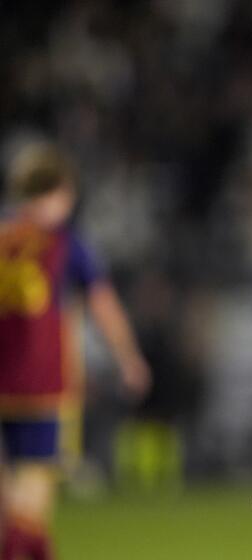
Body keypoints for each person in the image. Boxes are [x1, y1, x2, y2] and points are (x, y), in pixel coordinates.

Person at [0, 142, 151, 560]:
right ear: (62, 192)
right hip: (39, 387)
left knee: (7, 505)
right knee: (31, 499)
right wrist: (129, 358)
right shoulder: (65, 245)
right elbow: (102, 306)